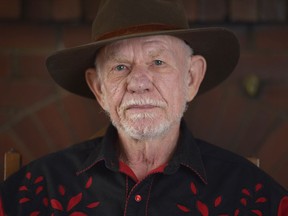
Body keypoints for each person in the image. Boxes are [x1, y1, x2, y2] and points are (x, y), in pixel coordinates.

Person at [1, 0, 288, 215]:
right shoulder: (37, 189)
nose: (139, 82)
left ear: (191, 78)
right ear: (99, 88)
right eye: (120, 66)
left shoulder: (249, 194)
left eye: (158, 62)